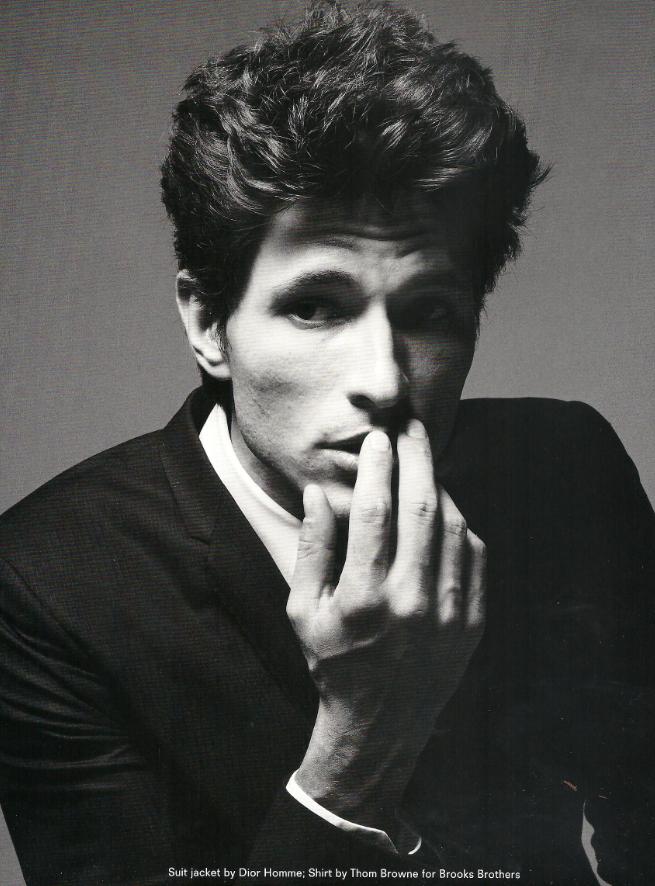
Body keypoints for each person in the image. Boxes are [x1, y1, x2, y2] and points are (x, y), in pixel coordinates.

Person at [0, 3, 653, 885]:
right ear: (207, 322)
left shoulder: (563, 468)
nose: (384, 380)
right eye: (315, 307)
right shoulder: (46, 584)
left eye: (429, 311)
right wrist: (360, 747)